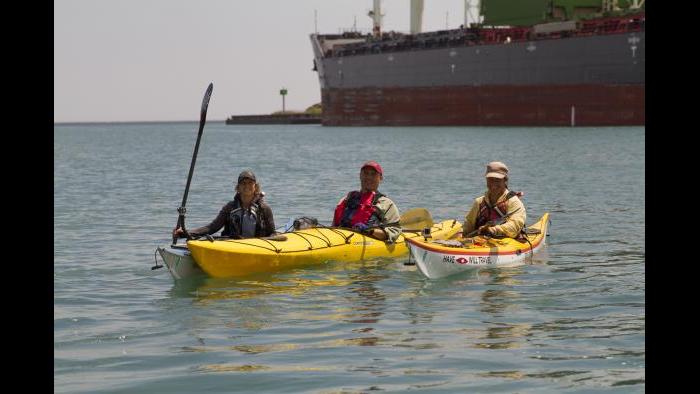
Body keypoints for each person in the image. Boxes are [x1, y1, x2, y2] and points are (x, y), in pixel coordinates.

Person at [172, 170, 276, 240]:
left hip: (258, 248)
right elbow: (212, 228)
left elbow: (273, 233)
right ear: (238, 187)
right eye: (243, 183)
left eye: (250, 183)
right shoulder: (230, 208)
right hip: (232, 247)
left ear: (255, 187)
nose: (246, 186)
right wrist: (185, 233)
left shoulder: (264, 208)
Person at [332, 160, 401, 243]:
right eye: (366, 173)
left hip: (367, 242)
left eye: (373, 174)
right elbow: (333, 226)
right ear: (360, 176)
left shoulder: (386, 204)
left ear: (381, 178)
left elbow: (393, 232)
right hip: (340, 240)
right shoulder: (346, 199)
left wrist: (369, 230)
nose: (369, 177)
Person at [462, 161, 526, 238]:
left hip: (505, 241)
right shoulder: (479, 202)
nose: (493, 184)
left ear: (505, 180)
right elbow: (468, 224)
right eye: (490, 179)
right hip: (480, 241)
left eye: (497, 180)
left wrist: (492, 230)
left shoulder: (514, 202)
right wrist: (460, 235)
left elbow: (514, 226)